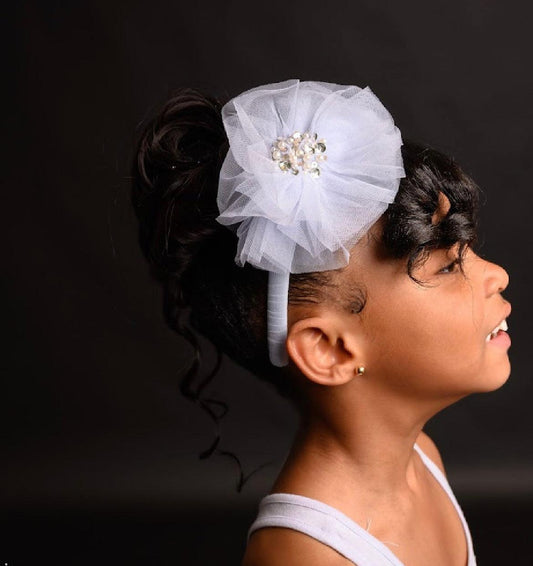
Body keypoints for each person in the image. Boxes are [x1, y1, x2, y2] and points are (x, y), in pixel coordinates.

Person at [130, 80, 511, 565]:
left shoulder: (422, 458)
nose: (497, 274)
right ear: (329, 349)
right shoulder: (304, 556)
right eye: (447, 266)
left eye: (468, 249)